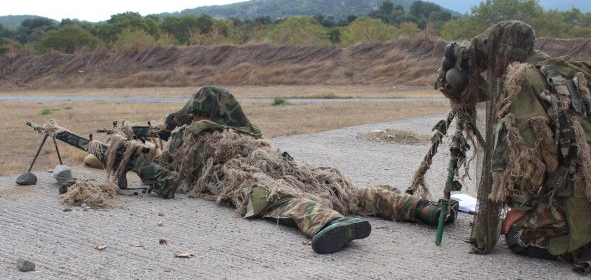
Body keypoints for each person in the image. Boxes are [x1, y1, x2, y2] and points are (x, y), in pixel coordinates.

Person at [433, 20, 591, 273]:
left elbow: (529, 152)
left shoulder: (522, 79)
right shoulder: (560, 69)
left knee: (518, 235)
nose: (490, 65)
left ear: (502, 54)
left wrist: (520, 207)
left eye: (492, 57)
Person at [129, 86, 457, 254]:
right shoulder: (245, 133)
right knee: (342, 189)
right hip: (285, 166)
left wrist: (134, 159)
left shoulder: (192, 136)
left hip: (243, 176)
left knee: (277, 199)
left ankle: (330, 223)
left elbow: (169, 175)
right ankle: (421, 208)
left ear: (198, 113)